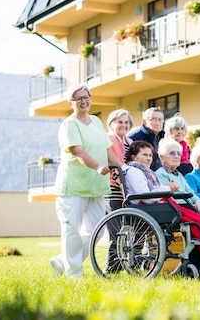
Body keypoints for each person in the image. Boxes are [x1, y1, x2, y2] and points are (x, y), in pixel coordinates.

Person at [121, 140, 200, 274]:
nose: (148, 158)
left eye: (150, 155)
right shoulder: (135, 171)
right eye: (145, 155)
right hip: (153, 208)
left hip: (162, 206)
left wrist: (167, 189)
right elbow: (146, 197)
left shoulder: (145, 172)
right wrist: (167, 188)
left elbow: (155, 192)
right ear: (134, 157)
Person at [50, 84, 124, 278]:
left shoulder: (96, 121)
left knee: (97, 232)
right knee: (72, 231)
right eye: (78, 98)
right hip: (73, 187)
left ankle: (61, 261)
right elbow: (78, 151)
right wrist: (99, 166)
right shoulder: (69, 124)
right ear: (71, 103)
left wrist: (122, 167)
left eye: (86, 96)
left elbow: (108, 148)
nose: (83, 101)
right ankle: (74, 274)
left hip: (96, 186)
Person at [103, 108, 134, 274]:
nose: (123, 125)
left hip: (127, 189)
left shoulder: (130, 142)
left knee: (125, 230)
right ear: (111, 124)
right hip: (113, 188)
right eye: (119, 122)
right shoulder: (108, 139)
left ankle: (121, 267)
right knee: (115, 231)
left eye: (126, 122)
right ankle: (109, 270)